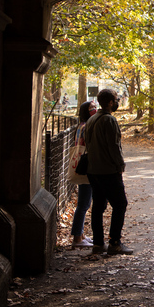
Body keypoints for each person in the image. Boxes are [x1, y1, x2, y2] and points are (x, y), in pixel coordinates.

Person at [85, 89, 132, 255]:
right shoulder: (109, 120)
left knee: (98, 206)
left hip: (93, 169)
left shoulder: (92, 119)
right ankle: (115, 242)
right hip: (108, 170)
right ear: (111, 103)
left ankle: (98, 243)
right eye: (116, 99)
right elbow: (114, 146)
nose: (118, 102)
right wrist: (120, 164)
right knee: (120, 204)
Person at [69, 100, 96, 248]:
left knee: (84, 203)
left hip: (81, 164)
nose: (95, 110)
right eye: (92, 108)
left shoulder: (80, 126)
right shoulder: (87, 127)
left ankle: (81, 234)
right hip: (86, 166)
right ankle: (77, 238)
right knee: (84, 204)